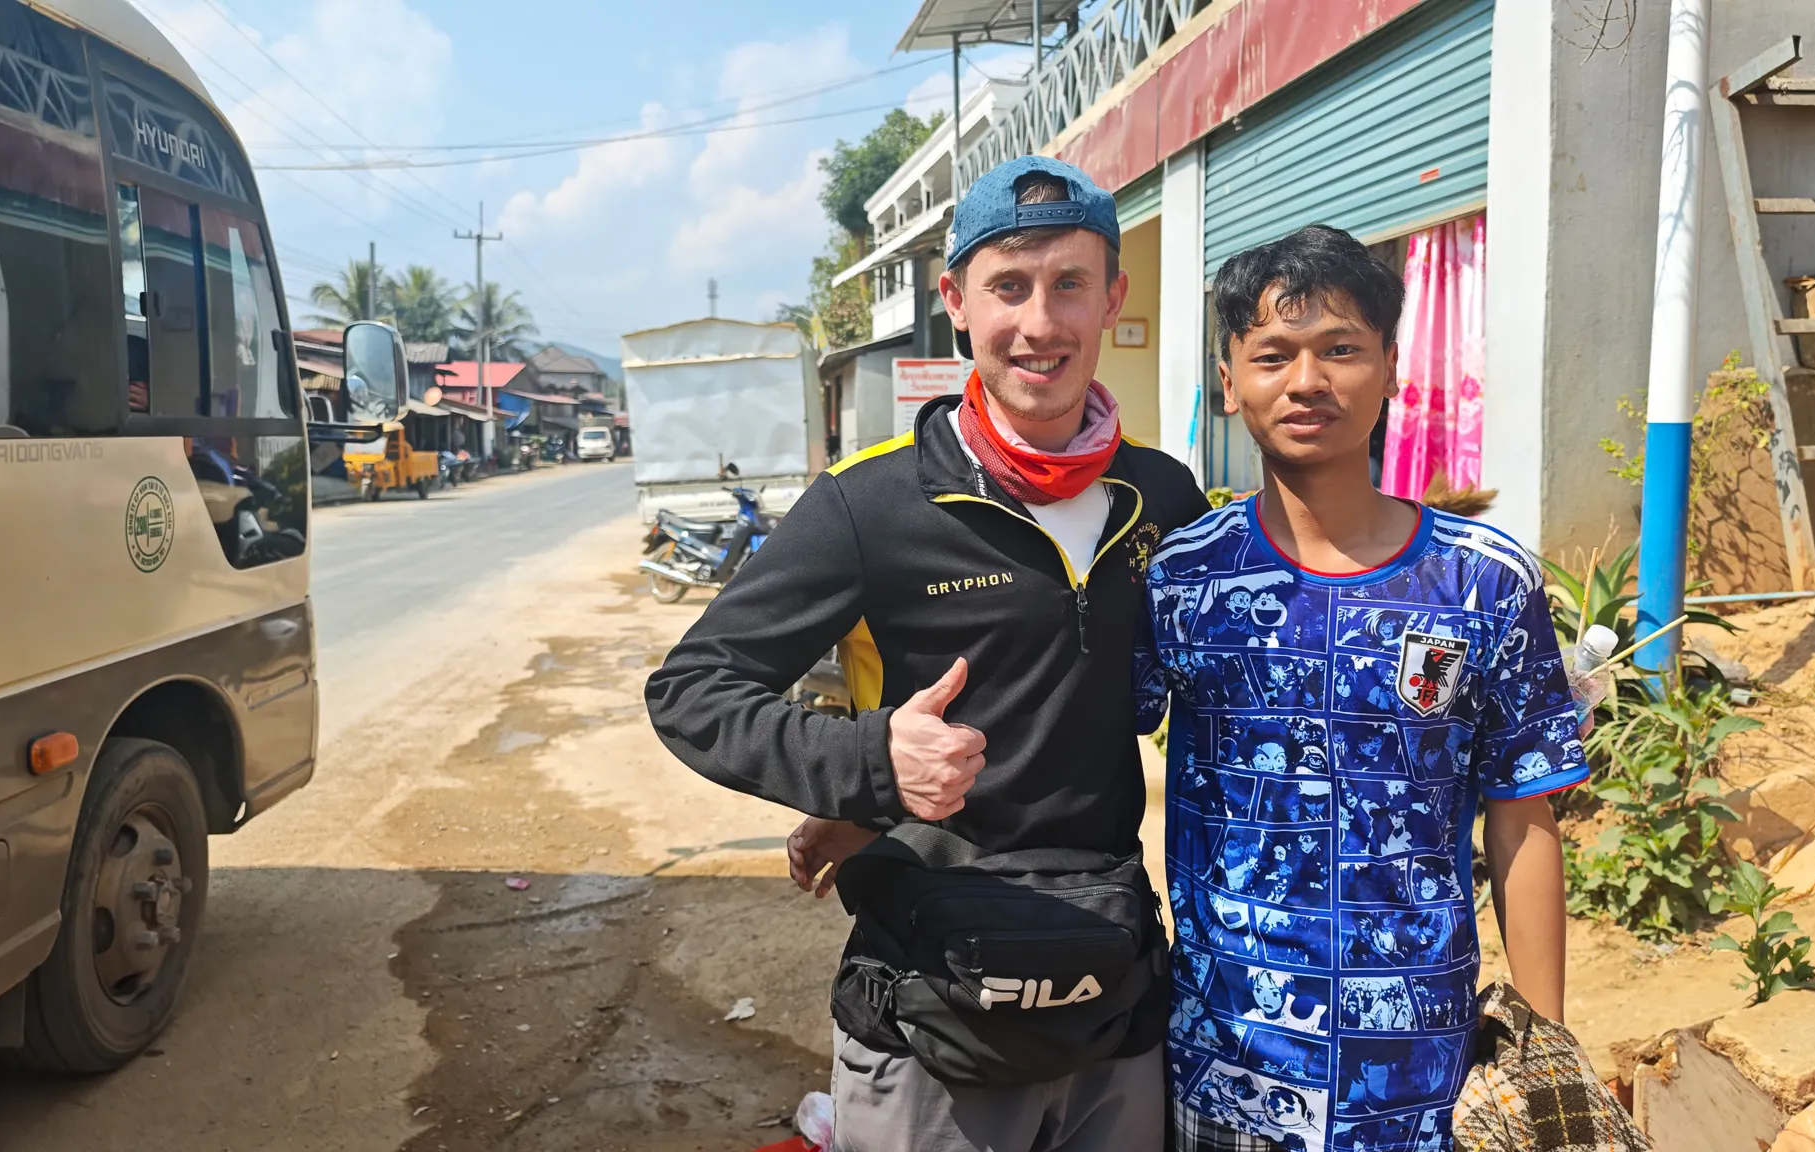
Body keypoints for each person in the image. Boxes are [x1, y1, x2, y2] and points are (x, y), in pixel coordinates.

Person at [645, 155, 1209, 1152]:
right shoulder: (869, 504)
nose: (1040, 324)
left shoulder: (1161, 499)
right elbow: (690, 690)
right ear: (955, 301)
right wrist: (866, 768)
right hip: (932, 1003)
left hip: (1110, 996)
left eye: (1069, 284)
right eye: (1008, 286)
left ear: (1113, 295)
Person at [1136, 225, 1588, 1152]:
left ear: (1391, 371)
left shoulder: (1485, 584)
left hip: (1421, 1072)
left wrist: (1546, 1058)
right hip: (1227, 1069)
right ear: (1230, 384)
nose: (1308, 382)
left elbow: (1523, 817)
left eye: (1342, 349)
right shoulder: (1182, 577)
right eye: (1273, 356)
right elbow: (1081, 747)